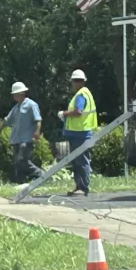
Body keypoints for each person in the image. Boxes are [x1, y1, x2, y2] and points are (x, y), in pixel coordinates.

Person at [0, 81, 44, 185]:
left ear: (21, 93)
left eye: (15, 94)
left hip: (26, 140)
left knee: (22, 160)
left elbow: (38, 120)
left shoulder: (31, 105)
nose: (14, 96)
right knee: (17, 164)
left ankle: (42, 175)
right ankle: (21, 183)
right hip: (16, 140)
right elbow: (7, 120)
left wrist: (37, 132)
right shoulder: (16, 108)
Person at [58, 68, 96, 196]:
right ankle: (80, 186)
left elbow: (78, 111)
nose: (73, 84)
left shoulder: (81, 95)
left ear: (78, 82)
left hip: (80, 133)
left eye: (74, 81)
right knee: (77, 161)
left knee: (81, 161)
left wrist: (64, 113)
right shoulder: (86, 93)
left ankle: (83, 187)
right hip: (81, 133)